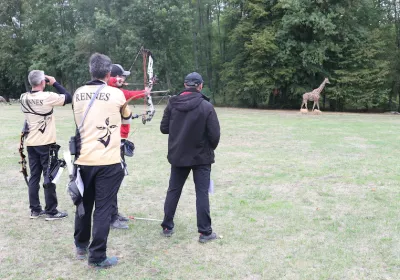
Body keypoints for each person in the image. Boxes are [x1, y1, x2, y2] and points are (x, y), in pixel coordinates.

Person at [73, 53, 133, 268]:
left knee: (83, 205)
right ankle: (97, 256)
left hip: (83, 159)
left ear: (91, 71)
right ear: (109, 74)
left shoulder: (78, 93)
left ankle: (81, 246)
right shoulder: (116, 94)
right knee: (103, 209)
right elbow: (126, 117)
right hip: (108, 161)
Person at [160, 72, 220, 243]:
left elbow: (164, 128)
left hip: (180, 154)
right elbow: (215, 134)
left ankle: (167, 226)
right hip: (201, 157)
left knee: (174, 190)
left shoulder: (173, 104)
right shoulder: (206, 106)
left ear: (186, 85)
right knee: (202, 193)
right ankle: (205, 232)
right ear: (200, 86)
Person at [20, 70, 72, 220]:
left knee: (34, 176)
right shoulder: (47, 97)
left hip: (31, 143)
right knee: (50, 175)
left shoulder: (24, 97)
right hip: (46, 143)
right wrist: (54, 82)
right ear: (43, 82)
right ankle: (51, 211)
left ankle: (35, 210)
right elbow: (68, 97)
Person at [107, 63, 150, 229]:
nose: (124, 79)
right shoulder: (114, 92)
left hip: (119, 140)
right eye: (121, 76)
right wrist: (144, 92)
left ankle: (114, 212)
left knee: (116, 177)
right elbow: (128, 94)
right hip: (113, 141)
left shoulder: (115, 90)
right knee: (113, 178)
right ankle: (111, 216)